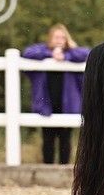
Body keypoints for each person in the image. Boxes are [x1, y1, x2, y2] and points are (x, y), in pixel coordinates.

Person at [22, 24, 89, 164]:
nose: (59, 40)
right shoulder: (42, 52)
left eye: (62, 37)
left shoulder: (73, 54)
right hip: (47, 104)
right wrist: (50, 55)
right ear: (50, 38)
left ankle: (64, 168)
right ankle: (48, 168)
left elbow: (86, 53)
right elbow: (27, 53)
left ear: (67, 39)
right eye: (56, 37)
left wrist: (66, 56)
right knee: (48, 139)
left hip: (67, 105)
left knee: (65, 139)